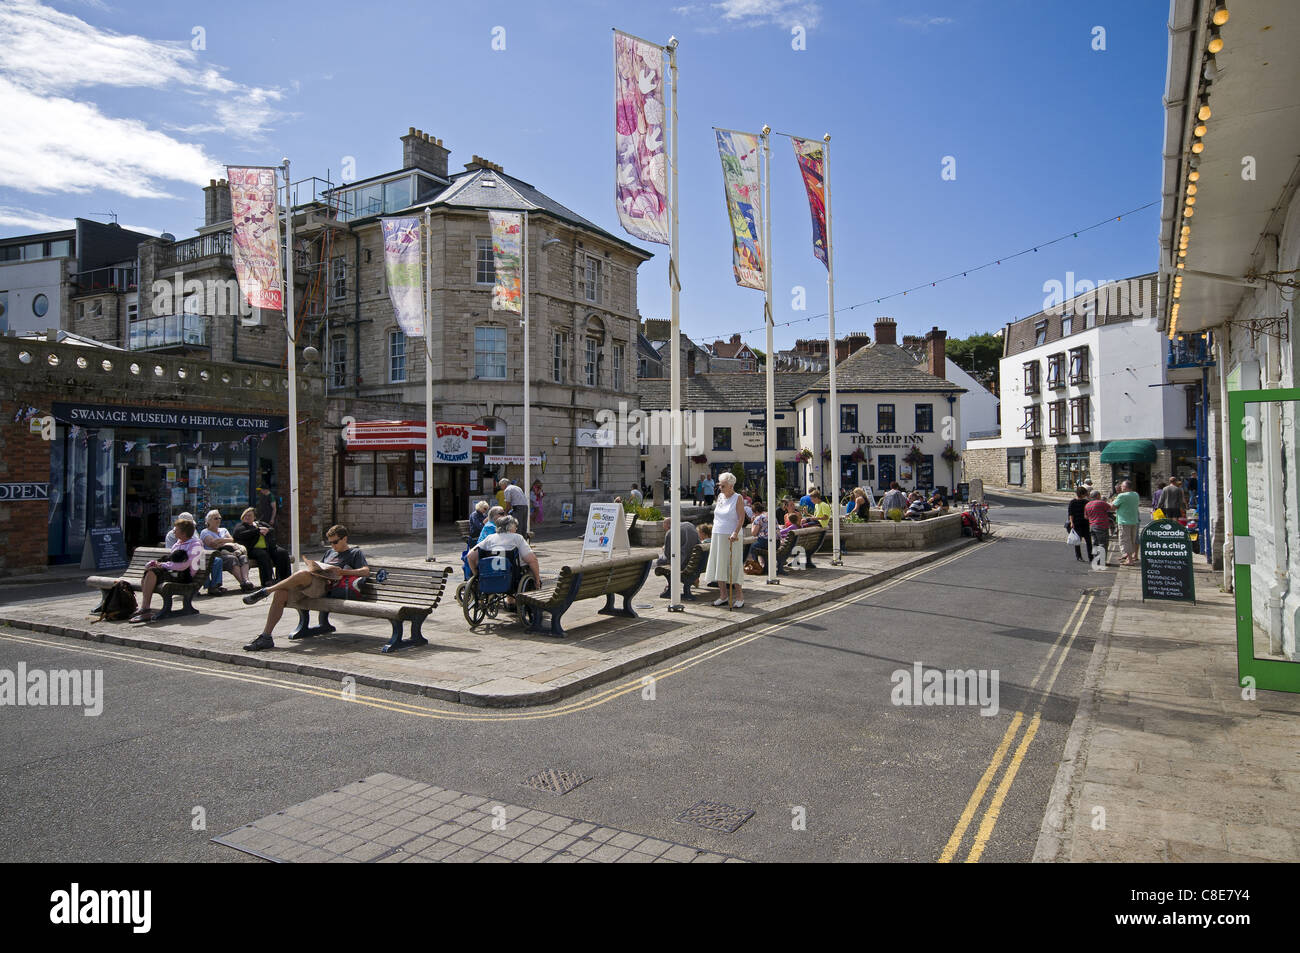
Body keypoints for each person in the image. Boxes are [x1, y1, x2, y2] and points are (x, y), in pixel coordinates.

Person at [241, 524, 369, 652]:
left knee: (302, 574)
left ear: (345, 539)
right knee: (281, 593)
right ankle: (266, 637)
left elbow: (365, 571)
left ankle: (266, 591)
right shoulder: (330, 552)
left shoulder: (354, 553)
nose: (332, 546)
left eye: (335, 542)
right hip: (312, 584)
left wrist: (343, 572)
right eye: (330, 543)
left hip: (327, 587)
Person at [126, 517, 204, 623]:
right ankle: (145, 608)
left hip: (184, 577)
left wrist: (162, 565)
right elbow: (171, 561)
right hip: (173, 573)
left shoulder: (195, 545)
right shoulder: (178, 543)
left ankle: (145, 608)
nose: (174, 532)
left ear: (183, 532)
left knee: (153, 572)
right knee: (150, 572)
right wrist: (156, 564)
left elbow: (183, 566)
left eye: (176, 529)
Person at [467, 516, 541, 606]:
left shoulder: (490, 538)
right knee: (530, 566)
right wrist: (537, 580)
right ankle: (515, 601)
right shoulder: (517, 538)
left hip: (489, 576)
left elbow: (470, 556)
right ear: (510, 527)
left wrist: (476, 574)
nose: (516, 528)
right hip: (512, 578)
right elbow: (532, 559)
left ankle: (509, 601)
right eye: (515, 526)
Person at [703, 472, 745, 608]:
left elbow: (741, 518)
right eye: (719, 485)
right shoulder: (720, 496)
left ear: (731, 485)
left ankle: (739, 597)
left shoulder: (738, 498)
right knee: (719, 564)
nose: (720, 487)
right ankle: (723, 596)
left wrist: (735, 532)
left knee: (733, 564)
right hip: (717, 533)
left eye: (723, 485)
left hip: (731, 536)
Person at [232, 507, 292, 587]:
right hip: (252, 549)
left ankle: (284, 578)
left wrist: (267, 530)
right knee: (263, 554)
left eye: (249, 515)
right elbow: (239, 534)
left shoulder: (260, 524)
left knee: (282, 552)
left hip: (268, 547)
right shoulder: (240, 526)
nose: (247, 517)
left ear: (254, 517)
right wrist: (257, 531)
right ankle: (267, 581)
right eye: (245, 516)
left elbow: (272, 529)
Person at [200, 509, 254, 594]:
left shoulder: (223, 530)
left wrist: (220, 541)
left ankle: (246, 580)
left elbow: (232, 540)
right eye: (216, 518)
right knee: (232, 559)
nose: (218, 520)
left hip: (229, 552)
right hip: (215, 556)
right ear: (209, 521)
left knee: (243, 557)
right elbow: (212, 544)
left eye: (219, 518)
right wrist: (224, 540)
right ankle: (242, 583)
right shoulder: (205, 532)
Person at [657, 516, 702, 598]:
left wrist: (663, 550)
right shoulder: (690, 525)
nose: (666, 531)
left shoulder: (670, 532)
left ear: (668, 526)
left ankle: (671, 586)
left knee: (660, 561)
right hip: (697, 562)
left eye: (665, 529)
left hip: (683, 564)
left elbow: (668, 555)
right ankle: (695, 578)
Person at [1111, 480, 1142, 566]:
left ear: (1125, 487)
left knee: (1125, 540)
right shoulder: (1136, 494)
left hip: (1124, 521)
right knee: (1132, 540)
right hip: (1134, 520)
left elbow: (1112, 507)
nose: (1121, 487)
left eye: (1122, 486)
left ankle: (1130, 560)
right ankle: (1131, 557)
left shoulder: (1122, 496)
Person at [1084, 489, 1115, 567]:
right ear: (1098, 496)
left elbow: (1086, 517)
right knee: (1103, 544)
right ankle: (1102, 562)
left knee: (1095, 543)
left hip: (1092, 526)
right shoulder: (1101, 503)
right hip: (1101, 525)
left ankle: (1096, 559)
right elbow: (1111, 508)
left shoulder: (1087, 505)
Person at [1066, 486, 1093, 563]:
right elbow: (1071, 513)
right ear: (1083, 494)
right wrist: (1071, 522)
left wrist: (1088, 497)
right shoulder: (1073, 502)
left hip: (1084, 522)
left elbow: (1092, 505)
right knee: (1078, 540)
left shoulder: (1085, 502)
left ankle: (1089, 557)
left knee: (1087, 541)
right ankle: (1079, 556)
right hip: (1077, 523)